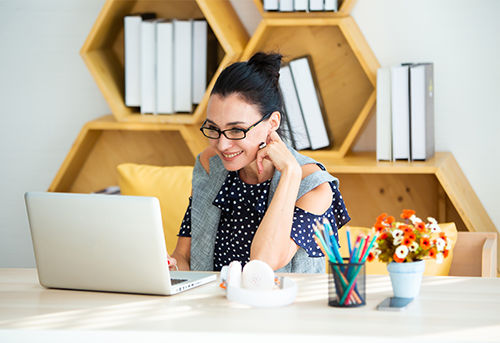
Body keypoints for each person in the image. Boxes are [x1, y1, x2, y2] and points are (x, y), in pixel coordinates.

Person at [169, 52, 350, 273]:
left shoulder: (313, 186)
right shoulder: (210, 165)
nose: (222, 145)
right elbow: (184, 254)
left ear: (272, 122)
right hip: (214, 304)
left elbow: (264, 262)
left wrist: (291, 173)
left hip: (281, 306)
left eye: (236, 130)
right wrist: (170, 266)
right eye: (214, 129)